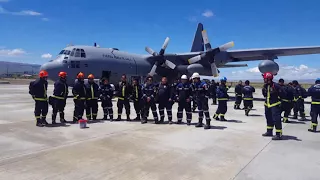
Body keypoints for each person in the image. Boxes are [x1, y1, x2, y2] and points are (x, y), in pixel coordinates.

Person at [262, 72, 285, 140]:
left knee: (276, 120)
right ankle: (269, 132)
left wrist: (280, 102)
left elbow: (283, 94)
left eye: (265, 78)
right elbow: (264, 94)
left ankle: (278, 134)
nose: (264, 80)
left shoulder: (276, 86)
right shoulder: (265, 86)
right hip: (267, 105)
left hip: (275, 105)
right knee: (268, 118)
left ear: (268, 79)